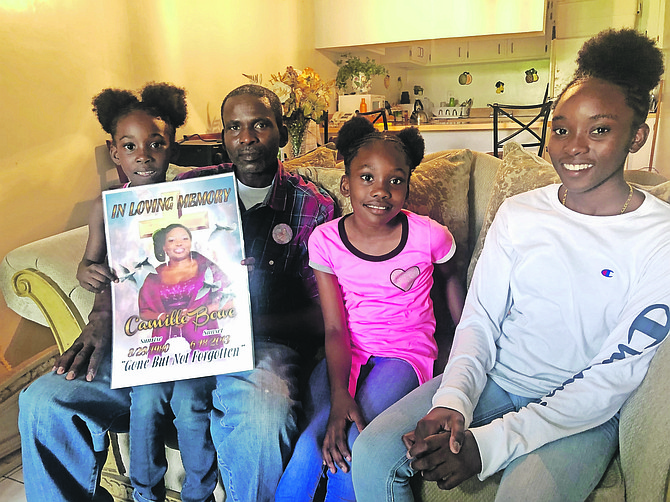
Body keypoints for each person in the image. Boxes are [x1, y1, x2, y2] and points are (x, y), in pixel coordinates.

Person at [351, 28, 670, 502]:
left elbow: (612, 378)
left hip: (579, 412)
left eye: (599, 129)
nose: (573, 146)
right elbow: (479, 320)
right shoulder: (521, 212)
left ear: (637, 135)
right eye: (560, 129)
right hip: (495, 380)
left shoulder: (659, 236)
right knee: (374, 454)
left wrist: (488, 446)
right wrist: (453, 399)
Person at [18, 83, 336, 502]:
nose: (246, 138)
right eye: (233, 127)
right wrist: (101, 317)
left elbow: (322, 317)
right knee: (44, 400)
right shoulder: (187, 188)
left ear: (282, 131)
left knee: (263, 414)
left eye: (260, 124)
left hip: (258, 348)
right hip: (159, 342)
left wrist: (233, 317)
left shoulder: (313, 206)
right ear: (220, 136)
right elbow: (122, 259)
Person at [275, 116, 465, 502]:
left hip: (405, 354)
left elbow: (452, 276)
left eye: (395, 180)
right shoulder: (325, 240)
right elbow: (334, 329)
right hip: (346, 351)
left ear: (407, 186)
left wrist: (457, 342)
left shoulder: (429, 234)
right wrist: (339, 395)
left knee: (355, 442)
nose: (381, 191)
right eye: (366, 177)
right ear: (346, 183)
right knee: (313, 439)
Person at [138, 223, 230, 347]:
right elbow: (144, 313)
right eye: (171, 240)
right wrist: (165, 317)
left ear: (190, 242)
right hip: (164, 346)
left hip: (204, 342)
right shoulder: (153, 277)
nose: (179, 243)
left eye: (184, 238)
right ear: (164, 246)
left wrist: (198, 312)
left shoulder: (207, 268)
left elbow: (231, 301)